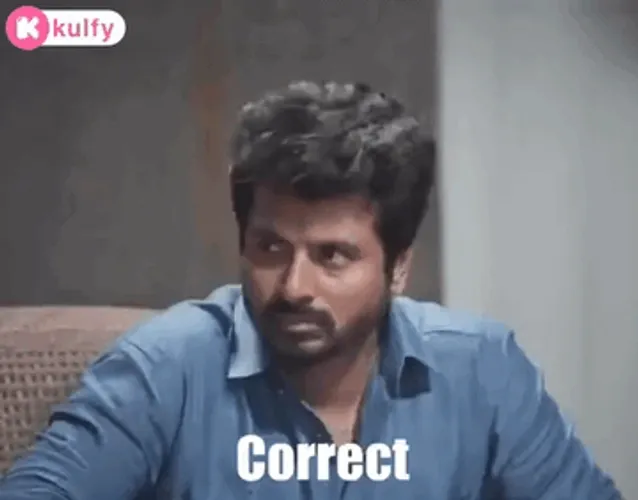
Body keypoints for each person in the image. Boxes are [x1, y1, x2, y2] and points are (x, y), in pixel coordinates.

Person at [0, 81, 622, 499]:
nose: (294, 287)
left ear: (398, 268)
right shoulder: (166, 367)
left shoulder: (481, 367)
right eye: (271, 249)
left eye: (333, 257)